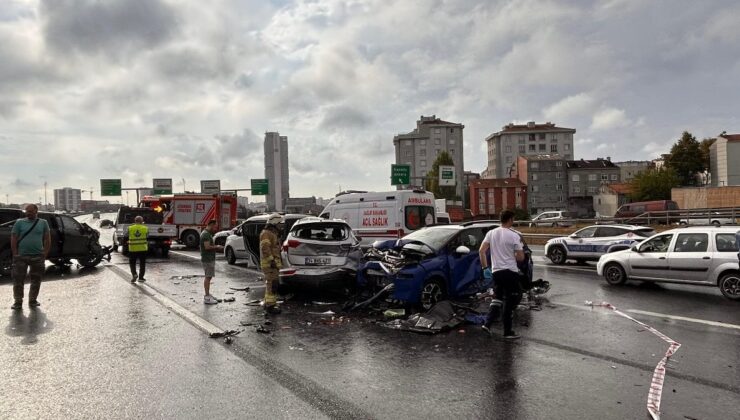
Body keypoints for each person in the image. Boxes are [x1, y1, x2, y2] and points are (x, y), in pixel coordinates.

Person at [478, 210, 525, 340]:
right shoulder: (514, 235)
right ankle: (507, 331)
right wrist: (514, 255)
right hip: (510, 271)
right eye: (513, 219)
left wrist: (485, 268)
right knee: (511, 299)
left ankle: (487, 324)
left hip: (496, 271)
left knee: (497, 298)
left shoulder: (491, 233)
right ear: (510, 219)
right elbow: (520, 257)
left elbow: (481, 251)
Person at [10, 204, 51, 310]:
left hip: (38, 256)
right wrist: (15, 253)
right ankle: (18, 301)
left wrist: (45, 253)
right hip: (21, 256)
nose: (28, 213)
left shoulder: (43, 223)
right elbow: (14, 238)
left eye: (30, 211)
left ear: (36, 211)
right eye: (27, 211)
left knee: (36, 280)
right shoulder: (19, 223)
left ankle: (32, 300)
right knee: (18, 280)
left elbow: (47, 239)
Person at [260, 213, 283, 314]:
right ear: (274, 223)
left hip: (273, 264)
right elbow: (265, 248)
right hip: (270, 264)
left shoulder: (271, 233)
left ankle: (268, 303)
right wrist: (271, 261)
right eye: (279, 224)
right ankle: (270, 306)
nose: (280, 226)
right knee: (272, 284)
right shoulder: (266, 233)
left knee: (271, 284)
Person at [201, 220, 223, 304]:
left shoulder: (207, 233)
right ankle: (207, 297)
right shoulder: (206, 234)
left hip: (209, 258)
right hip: (207, 259)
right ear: (211, 224)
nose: (215, 229)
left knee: (209, 277)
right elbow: (207, 247)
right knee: (208, 277)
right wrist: (217, 246)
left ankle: (208, 294)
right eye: (215, 227)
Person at [127, 215, 148, 282]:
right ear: (142, 221)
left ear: (135, 221)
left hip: (133, 249)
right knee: (142, 263)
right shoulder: (145, 228)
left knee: (132, 263)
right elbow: (147, 236)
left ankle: (134, 274)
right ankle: (141, 278)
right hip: (143, 249)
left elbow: (126, 235)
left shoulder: (130, 228)